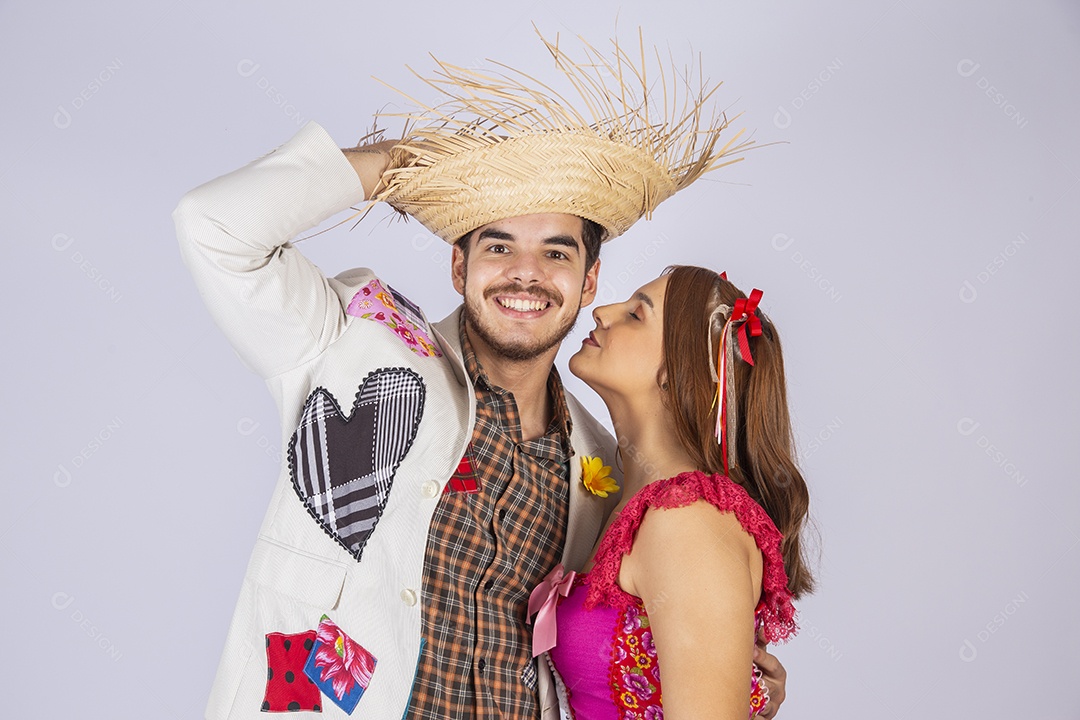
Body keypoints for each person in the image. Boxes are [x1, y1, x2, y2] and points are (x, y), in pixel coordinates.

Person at [174, 31, 789, 720]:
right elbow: (213, 226)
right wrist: (399, 167)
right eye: (498, 246)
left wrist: (731, 678)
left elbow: (612, 653)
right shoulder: (356, 343)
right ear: (459, 267)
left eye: (555, 253)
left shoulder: (606, 474)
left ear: (588, 283)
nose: (525, 273)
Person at [535, 266, 813, 719]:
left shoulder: (689, 519)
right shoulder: (624, 495)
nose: (602, 312)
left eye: (635, 315)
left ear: (675, 373)